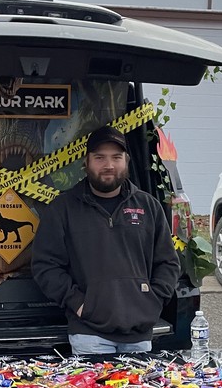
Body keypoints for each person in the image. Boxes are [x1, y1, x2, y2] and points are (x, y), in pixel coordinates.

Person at [31, 125, 180, 356]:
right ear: (86, 162)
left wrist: (152, 301)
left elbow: (168, 263)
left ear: (127, 161)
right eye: (99, 157)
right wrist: (80, 304)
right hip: (89, 335)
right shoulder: (63, 209)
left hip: (139, 335)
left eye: (116, 157)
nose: (108, 165)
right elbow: (45, 266)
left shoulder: (149, 206)